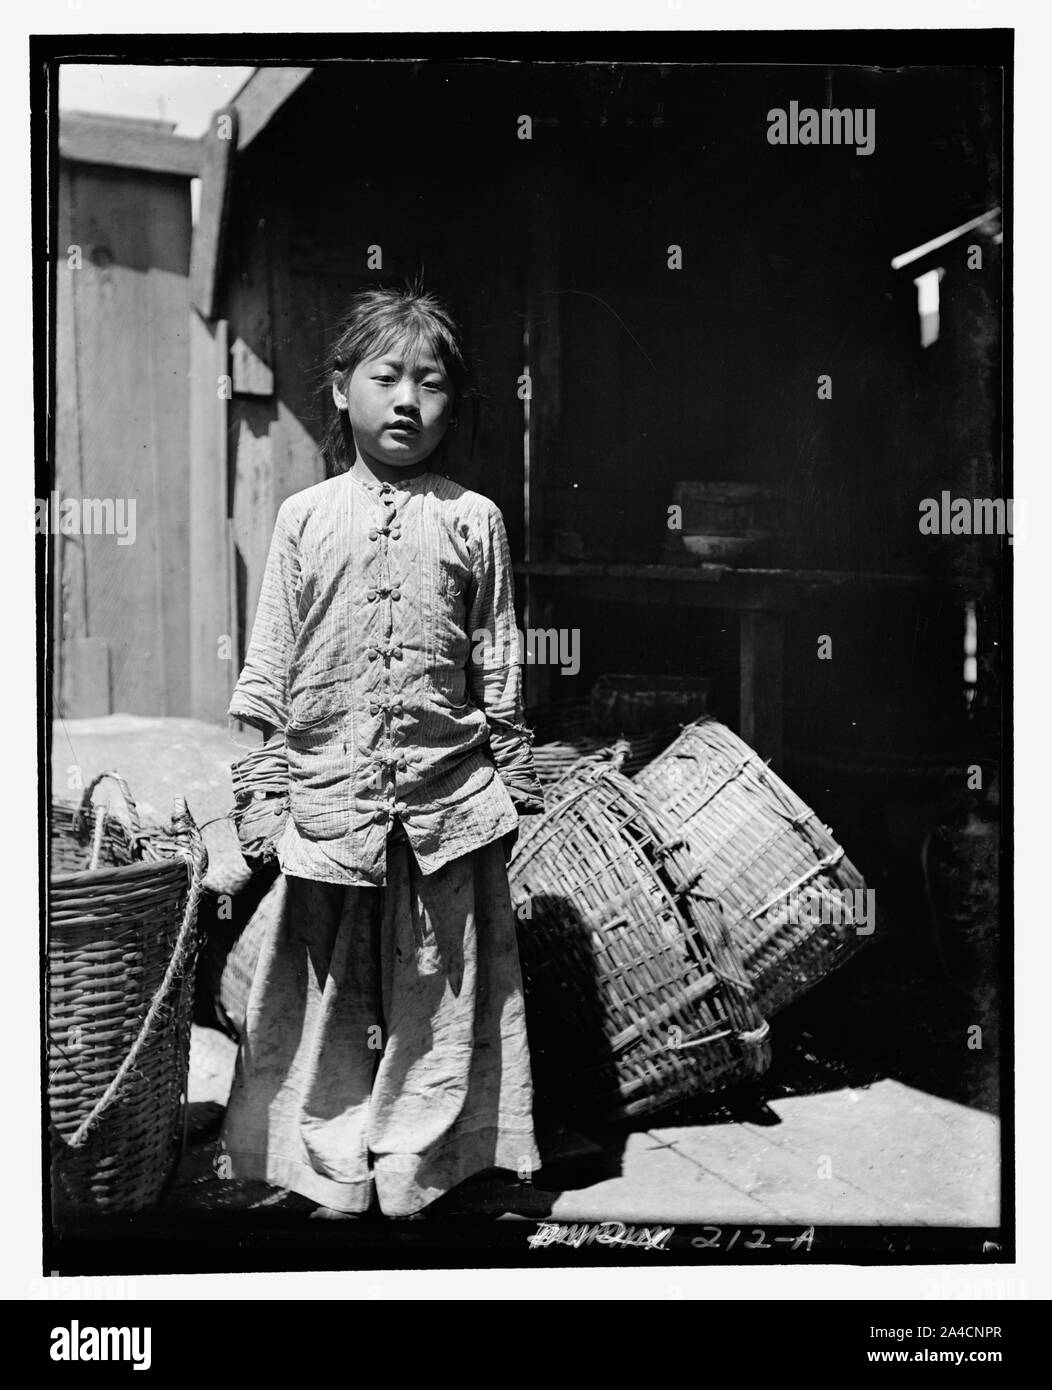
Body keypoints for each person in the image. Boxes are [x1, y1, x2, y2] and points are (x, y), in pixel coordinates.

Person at [217, 285, 545, 1218]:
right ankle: (329, 1165)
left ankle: (419, 1170)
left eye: (430, 383)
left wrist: (509, 791)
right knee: (327, 1006)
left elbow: (503, 668)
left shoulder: (473, 519)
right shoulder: (304, 518)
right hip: (329, 812)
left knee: (438, 1008)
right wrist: (261, 801)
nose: (407, 401)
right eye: (385, 377)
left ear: (452, 402)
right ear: (339, 390)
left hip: (451, 812)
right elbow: (268, 671)